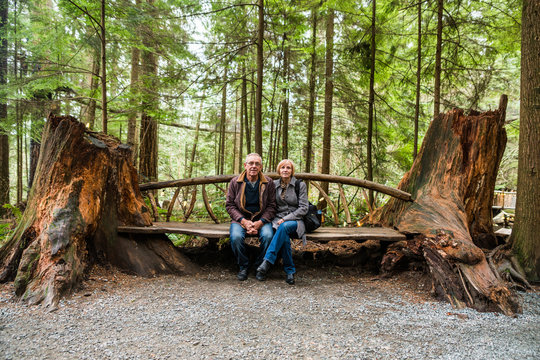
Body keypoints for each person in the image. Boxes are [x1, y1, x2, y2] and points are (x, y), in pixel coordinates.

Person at [256, 159, 308, 285]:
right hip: (276, 220)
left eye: (288, 167)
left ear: (292, 170)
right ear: (279, 170)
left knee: (283, 227)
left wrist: (286, 218)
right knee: (283, 234)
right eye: (282, 167)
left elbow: (304, 208)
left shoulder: (300, 185)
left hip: (295, 220)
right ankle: (290, 271)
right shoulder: (273, 184)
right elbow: (269, 204)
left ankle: (267, 261)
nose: (285, 170)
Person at [226, 153, 276, 281]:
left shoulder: (268, 182)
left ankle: (260, 266)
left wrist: (261, 221)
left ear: (261, 167)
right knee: (236, 237)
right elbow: (230, 205)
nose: (253, 166)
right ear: (245, 165)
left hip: (262, 219)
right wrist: (243, 221)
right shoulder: (235, 182)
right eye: (251, 163)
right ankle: (243, 266)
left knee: (268, 236)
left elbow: (272, 206)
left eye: (257, 164)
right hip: (240, 219)